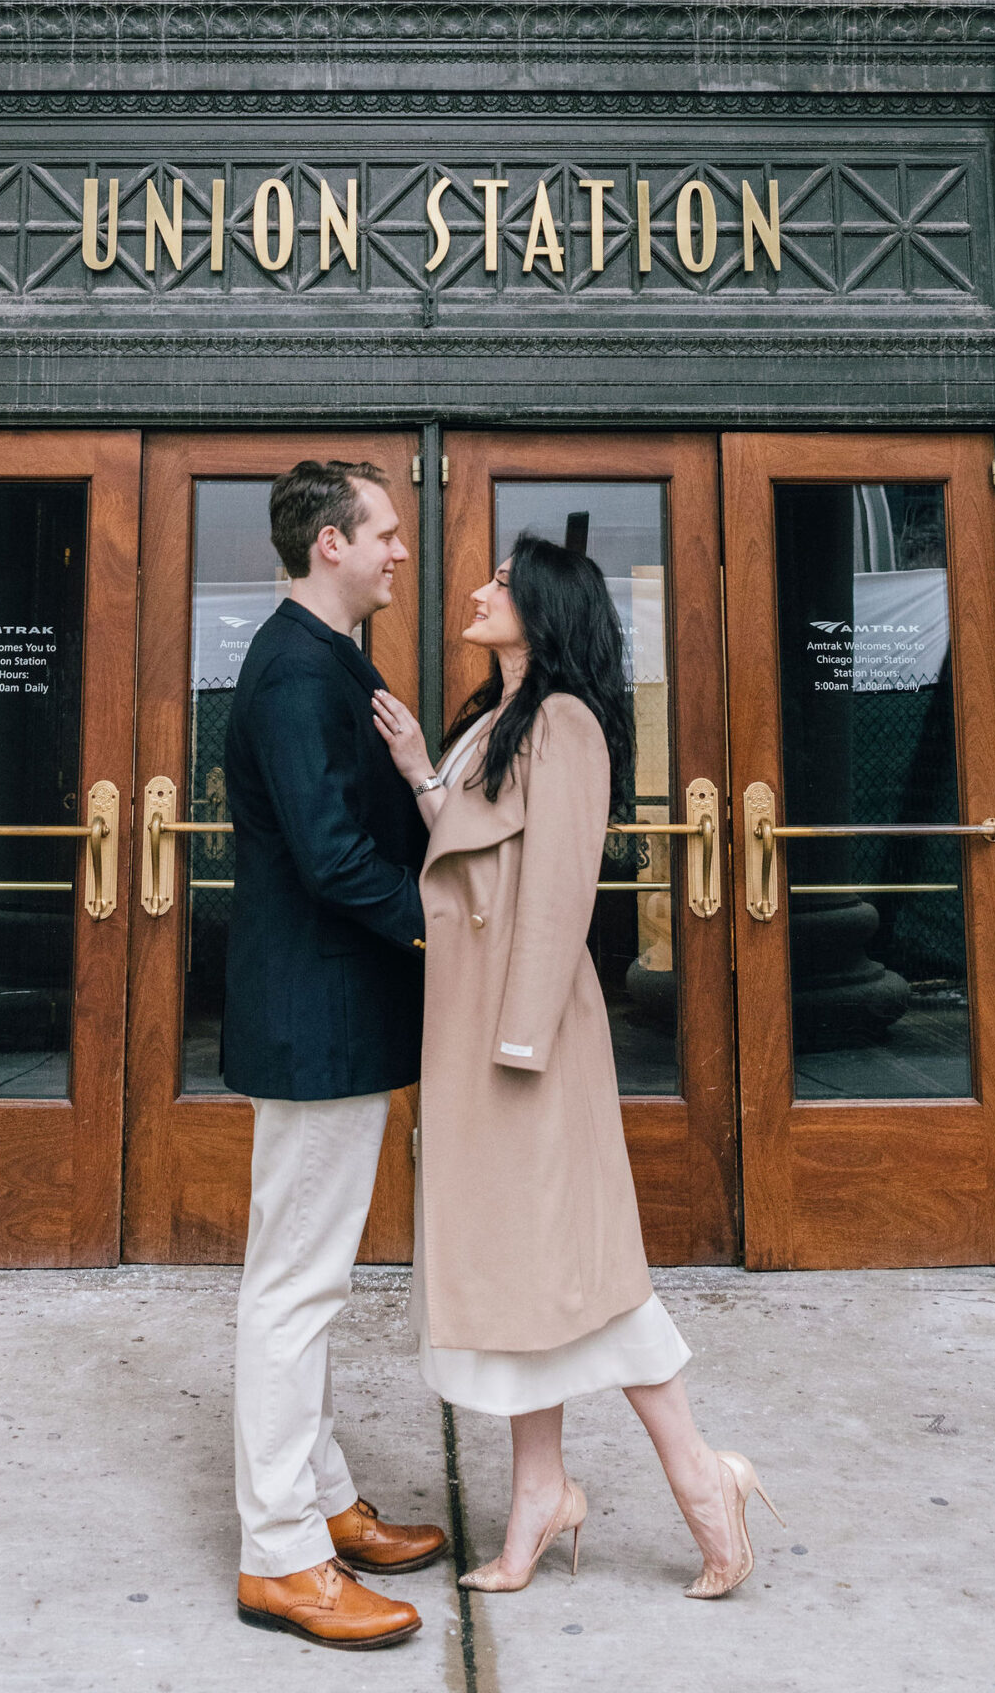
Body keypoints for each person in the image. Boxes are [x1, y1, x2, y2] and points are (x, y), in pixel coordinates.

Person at [372, 532, 783, 1600]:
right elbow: (468, 851)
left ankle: (703, 1479)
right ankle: (540, 1498)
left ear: (545, 606)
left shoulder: (563, 720)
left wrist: (518, 1036)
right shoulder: (493, 722)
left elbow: (559, 885)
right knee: (521, 1274)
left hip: (528, 1030)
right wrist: (423, 765)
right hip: (481, 1023)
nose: (477, 592)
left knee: (584, 1272)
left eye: (499, 584)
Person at [223, 459, 448, 1649]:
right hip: (315, 1022)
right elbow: (327, 855)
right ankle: (281, 1555)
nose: (401, 552)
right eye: (387, 533)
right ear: (329, 544)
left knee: (304, 1278)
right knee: (295, 1288)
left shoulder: (325, 659)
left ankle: (318, 1500)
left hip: (330, 1018)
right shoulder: (297, 672)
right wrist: (445, 923)